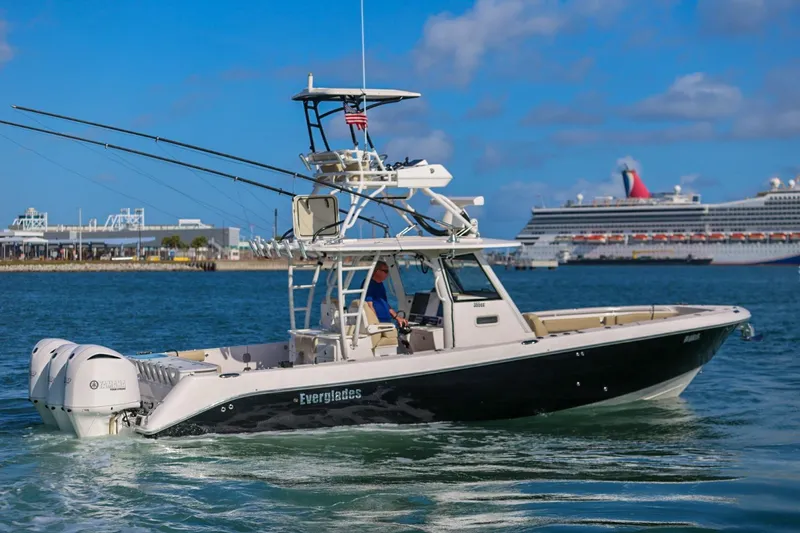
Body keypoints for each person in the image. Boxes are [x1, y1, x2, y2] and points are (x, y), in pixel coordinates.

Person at [365, 260, 408, 327]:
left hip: (386, 321)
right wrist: (376, 323)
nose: (387, 274)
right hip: (378, 322)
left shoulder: (380, 284)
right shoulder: (369, 284)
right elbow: (369, 305)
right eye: (385, 271)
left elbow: (385, 304)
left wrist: (397, 317)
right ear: (377, 271)